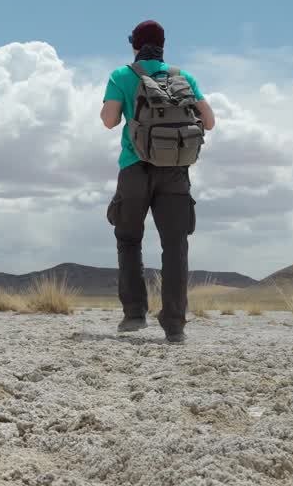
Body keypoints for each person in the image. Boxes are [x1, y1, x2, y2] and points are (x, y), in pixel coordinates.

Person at [101, 20, 215, 344]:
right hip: (176, 171)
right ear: (164, 45)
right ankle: (175, 324)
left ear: (134, 46)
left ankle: (135, 314)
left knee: (128, 239)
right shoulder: (183, 77)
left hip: (135, 167)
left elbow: (110, 121)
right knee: (175, 245)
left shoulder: (122, 76)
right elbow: (209, 121)